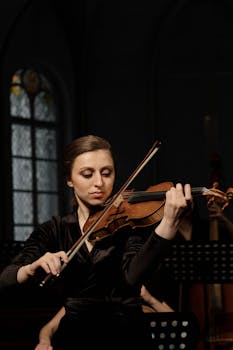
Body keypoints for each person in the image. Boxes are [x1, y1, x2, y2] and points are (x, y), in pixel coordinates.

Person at [0, 134, 192, 350]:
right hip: (74, 338)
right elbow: (6, 279)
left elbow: (131, 280)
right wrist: (31, 268)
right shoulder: (54, 230)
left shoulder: (128, 225)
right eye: (87, 174)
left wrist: (169, 223)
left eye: (106, 173)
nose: (99, 183)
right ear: (69, 179)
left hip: (127, 338)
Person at [34, 285, 174, 350]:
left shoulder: (144, 288)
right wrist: (44, 342)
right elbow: (49, 327)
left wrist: (150, 299)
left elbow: (176, 321)